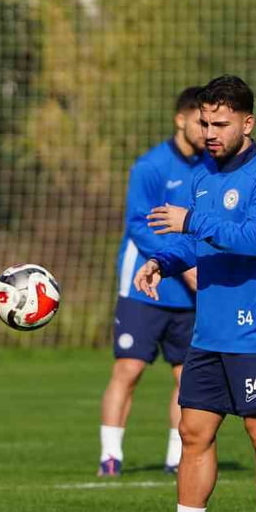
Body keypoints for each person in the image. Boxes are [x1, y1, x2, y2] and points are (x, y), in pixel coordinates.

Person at [125, 75, 256, 512]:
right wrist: (163, 261)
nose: (210, 132)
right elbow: (194, 243)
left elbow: (255, 238)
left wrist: (190, 222)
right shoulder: (203, 177)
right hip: (210, 331)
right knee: (193, 430)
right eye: (205, 122)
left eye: (220, 123)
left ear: (248, 122)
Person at [98, 87, 203, 477]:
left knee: (186, 376)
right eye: (201, 122)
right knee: (129, 369)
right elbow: (138, 226)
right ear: (181, 119)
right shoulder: (151, 166)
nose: (207, 130)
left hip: (190, 292)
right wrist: (176, 265)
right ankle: (110, 456)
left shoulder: (211, 169)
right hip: (144, 285)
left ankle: (178, 457)